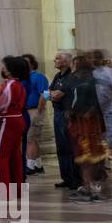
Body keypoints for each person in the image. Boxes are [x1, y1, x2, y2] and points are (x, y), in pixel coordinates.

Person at [67, 53, 108, 201]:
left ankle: (88, 187)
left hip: (82, 122)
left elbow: (73, 102)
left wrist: (70, 113)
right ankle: (95, 187)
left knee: (84, 156)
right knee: (96, 156)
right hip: (96, 122)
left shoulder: (76, 80)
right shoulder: (96, 79)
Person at [0, 57, 29, 201]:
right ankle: (17, 190)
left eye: (5, 66)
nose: (3, 68)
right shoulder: (19, 84)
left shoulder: (10, 84)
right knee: (14, 156)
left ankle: (3, 191)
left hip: (8, 120)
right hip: (17, 119)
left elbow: (0, 105)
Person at [47, 51, 80, 191]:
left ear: (66, 62)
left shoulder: (71, 77)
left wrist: (53, 94)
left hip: (67, 114)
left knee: (70, 146)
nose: (54, 60)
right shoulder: (57, 76)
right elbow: (49, 92)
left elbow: (59, 94)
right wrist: (52, 94)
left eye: (58, 58)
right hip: (57, 113)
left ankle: (75, 178)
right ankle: (65, 177)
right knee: (61, 146)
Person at [22, 54, 48, 175]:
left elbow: (45, 94)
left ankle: (30, 166)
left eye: (26, 62)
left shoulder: (39, 76)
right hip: (26, 110)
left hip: (34, 110)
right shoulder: (23, 77)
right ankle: (38, 164)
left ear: (32, 63)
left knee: (30, 139)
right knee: (33, 139)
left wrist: (39, 109)